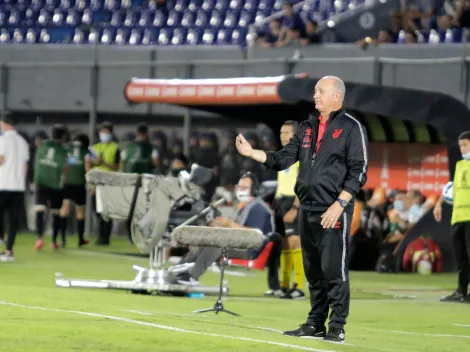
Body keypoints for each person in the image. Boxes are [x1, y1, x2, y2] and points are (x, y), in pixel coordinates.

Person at [235, 76, 368, 343]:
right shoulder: (307, 127)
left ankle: (337, 327)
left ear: (337, 97)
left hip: (334, 210)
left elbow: (359, 171)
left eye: (321, 91)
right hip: (307, 208)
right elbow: (282, 158)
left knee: (334, 270)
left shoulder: (352, 127)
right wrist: (253, 153)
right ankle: (315, 323)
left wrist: (339, 204)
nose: (315, 95)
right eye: (315, 90)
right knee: (313, 272)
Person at [172, 172, 277, 286]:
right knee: (205, 241)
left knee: (218, 244)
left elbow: (254, 235)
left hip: (251, 250)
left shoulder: (258, 207)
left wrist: (229, 223)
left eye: (244, 187)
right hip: (240, 245)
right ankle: (178, 271)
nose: (240, 190)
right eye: (239, 187)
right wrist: (221, 227)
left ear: (254, 190)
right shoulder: (246, 206)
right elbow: (237, 231)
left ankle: (192, 277)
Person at [270, 120, 305, 299]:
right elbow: (283, 181)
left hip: (294, 202)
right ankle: (284, 285)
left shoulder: (301, 155)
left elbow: (302, 183)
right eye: (281, 132)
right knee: (283, 243)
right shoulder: (283, 155)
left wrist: (295, 207)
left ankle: (298, 286)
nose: (282, 136)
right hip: (281, 202)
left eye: (286, 132)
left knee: (295, 242)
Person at [434, 131, 470, 304]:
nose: (463, 148)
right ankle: (461, 290)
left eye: (466, 145)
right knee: (461, 257)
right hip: (458, 217)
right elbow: (452, 187)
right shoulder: (460, 165)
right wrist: (439, 203)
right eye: (461, 145)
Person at [33, 124, 68, 250]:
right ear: (63, 136)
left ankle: (39, 239)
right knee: (55, 213)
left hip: (40, 182)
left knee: (39, 211)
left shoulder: (41, 144)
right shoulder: (64, 150)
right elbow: (67, 168)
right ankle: (53, 241)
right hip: (56, 185)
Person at [0, 112, 30, 262]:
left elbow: (0, 159)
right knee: (12, 220)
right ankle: (8, 251)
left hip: (3, 184)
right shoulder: (22, 141)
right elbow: (25, 166)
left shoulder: (3, 139)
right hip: (18, 186)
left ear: (4, 123)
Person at [85, 122, 120, 245]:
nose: (104, 134)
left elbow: (117, 166)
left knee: (107, 212)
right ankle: (100, 236)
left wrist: (103, 162)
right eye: (103, 132)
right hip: (96, 184)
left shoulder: (115, 148)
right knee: (97, 211)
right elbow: (88, 164)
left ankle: (105, 238)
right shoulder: (94, 148)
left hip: (109, 183)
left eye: (107, 132)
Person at [59, 132, 91, 248]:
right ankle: (80, 239)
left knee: (64, 210)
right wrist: (91, 184)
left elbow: (65, 167)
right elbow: (87, 168)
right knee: (80, 212)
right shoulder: (86, 151)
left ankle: (62, 239)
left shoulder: (67, 149)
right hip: (79, 184)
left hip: (67, 184)